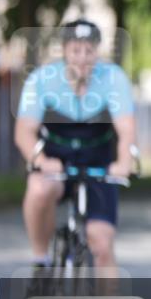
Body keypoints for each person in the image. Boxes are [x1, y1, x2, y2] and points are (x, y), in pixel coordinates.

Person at [14, 19, 138, 271]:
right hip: (56, 160)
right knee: (39, 190)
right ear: (64, 50)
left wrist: (124, 161)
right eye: (75, 50)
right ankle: (40, 260)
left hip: (98, 162)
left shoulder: (114, 78)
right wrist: (41, 161)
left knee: (102, 243)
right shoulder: (41, 80)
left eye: (89, 50)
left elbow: (126, 130)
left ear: (97, 51)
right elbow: (24, 132)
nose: (82, 58)